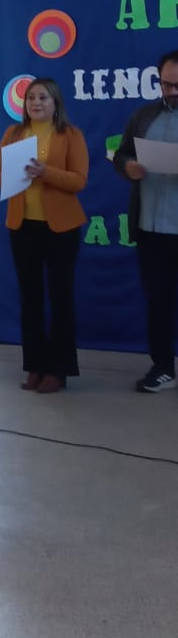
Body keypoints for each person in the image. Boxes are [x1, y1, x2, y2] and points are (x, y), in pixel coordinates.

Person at [0, 77, 88, 394]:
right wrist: (16, 174)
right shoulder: (13, 133)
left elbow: (79, 181)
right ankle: (34, 365)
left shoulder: (70, 134)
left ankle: (58, 370)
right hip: (23, 226)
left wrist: (46, 173)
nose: (35, 103)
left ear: (55, 102)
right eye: (31, 97)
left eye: (43, 97)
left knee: (60, 298)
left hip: (62, 228)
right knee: (29, 298)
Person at [113, 49, 178, 393]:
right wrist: (128, 166)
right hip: (151, 228)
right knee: (158, 301)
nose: (172, 92)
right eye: (166, 85)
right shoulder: (143, 116)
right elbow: (122, 153)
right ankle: (163, 367)